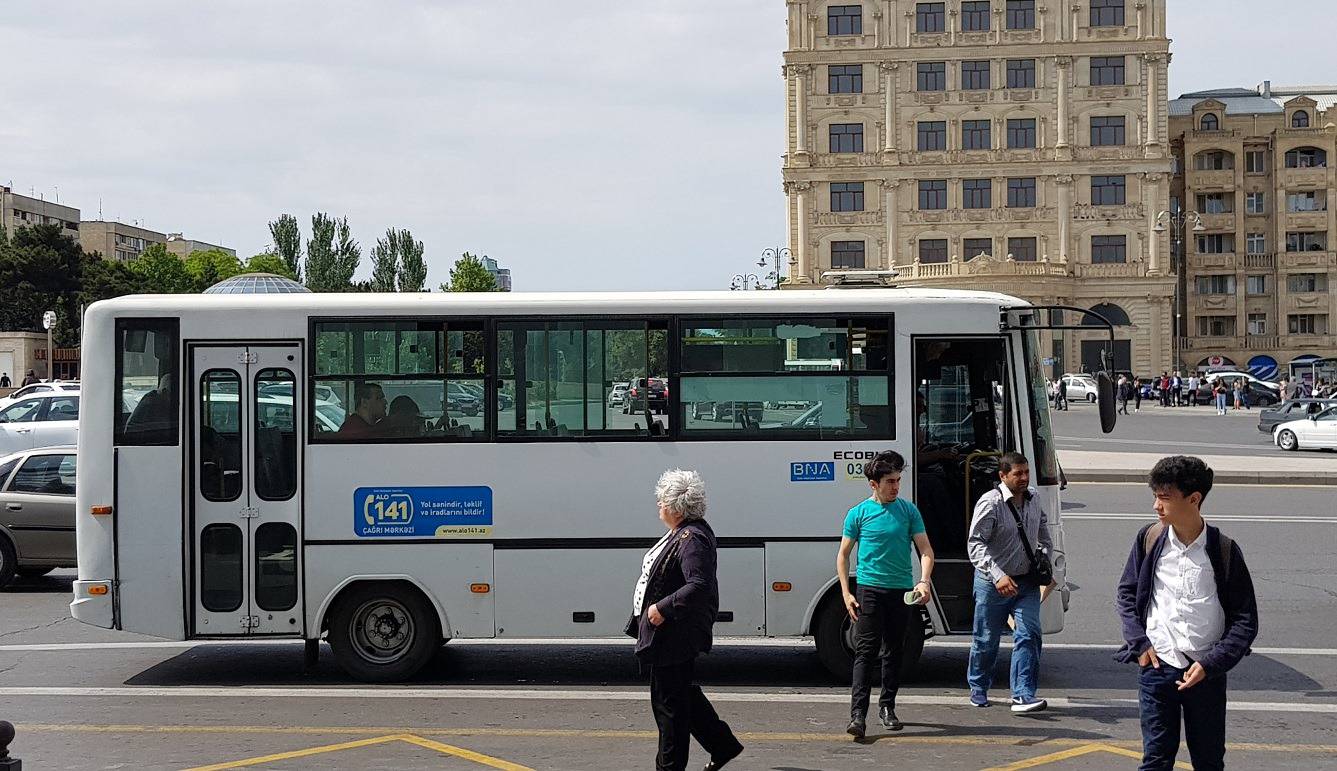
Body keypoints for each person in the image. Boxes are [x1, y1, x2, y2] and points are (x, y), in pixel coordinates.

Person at [1115, 456, 1258, 771]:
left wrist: (1212, 664)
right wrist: (1140, 644)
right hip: (1157, 666)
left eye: (1164, 498)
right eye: (1155, 497)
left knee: (1208, 761)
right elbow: (1126, 594)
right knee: (1155, 760)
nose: (1156, 506)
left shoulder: (1223, 550)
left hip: (1205, 672)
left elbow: (1245, 620)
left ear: (1194, 499)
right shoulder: (1149, 539)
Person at [631, 469, 743, 771]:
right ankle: (722, 745)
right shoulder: (684, 532)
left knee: (669, 710)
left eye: (661, 501)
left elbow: (699, 585)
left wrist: (661, 609)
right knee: (682, 697)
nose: (658, 507)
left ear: (676, 506)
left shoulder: (692, 538)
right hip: (671, 634)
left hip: (673, 635)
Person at [837, 450, 934, 739]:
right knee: (865, 652)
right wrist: (846, 593)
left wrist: (924, 581)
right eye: (890, 481)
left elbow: (926, 550)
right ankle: (858, 715)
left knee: (894, 651)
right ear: (873, 484)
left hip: (901, 591)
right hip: (869, 590)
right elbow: (843, 556)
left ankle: (887, 707)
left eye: (898, 480)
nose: (895, 486)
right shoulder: (858, 513)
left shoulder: (908, 511)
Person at [966, 452, 1054, 713]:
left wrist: (1046, 557)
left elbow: (1043, 530)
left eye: (1026, 472)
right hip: (992, 584)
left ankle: (1023, 695)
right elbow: (975, 544)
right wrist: (998, 575)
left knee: (1029, 635)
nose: (1024, 478)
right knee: (986, 639)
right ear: (1003, 476)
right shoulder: (990, 503)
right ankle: (979, 688)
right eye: (1018, 473)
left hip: (1025, 584)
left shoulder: (1034, 497)